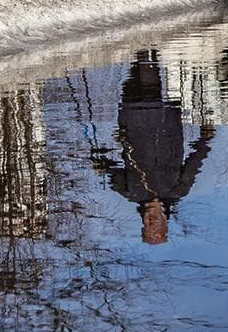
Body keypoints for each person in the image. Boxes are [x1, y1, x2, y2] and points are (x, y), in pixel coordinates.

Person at [92, 49, 215, 245]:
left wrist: (101, 164)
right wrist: (205, 138)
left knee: (133, 80)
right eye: (154, 224)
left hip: (131, 119)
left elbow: (111, 171)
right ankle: (144, 46)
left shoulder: (132, 193)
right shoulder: (176, 190)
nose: (149, 221)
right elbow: (194, 162)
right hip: (161, 121)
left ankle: (140, 46)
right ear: (165, 222)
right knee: (148, 77)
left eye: (147, 225)